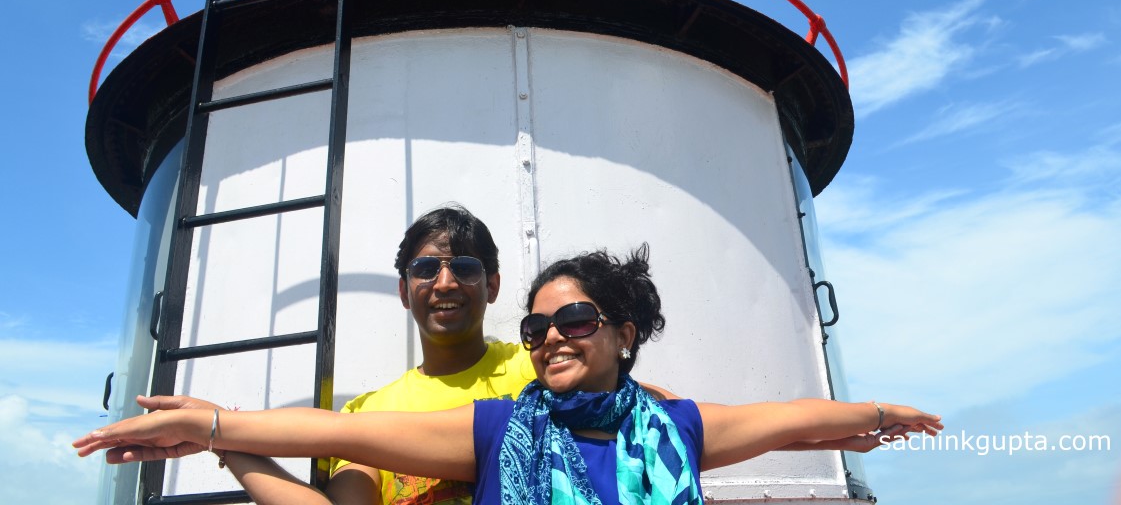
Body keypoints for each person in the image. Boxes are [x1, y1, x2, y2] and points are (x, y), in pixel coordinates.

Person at [76, 245, 943, 504]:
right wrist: (210, 426)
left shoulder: (677, 429)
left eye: (575, 320)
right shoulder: (502, 431)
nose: (552, 338)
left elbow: (790, 418)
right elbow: (338, 431)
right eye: (536, 326)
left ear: (624, 332)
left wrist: (874, 414)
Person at [146, 204, 536, 505]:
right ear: (404, 291)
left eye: (465, 268)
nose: (446, 283)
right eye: (426, 268)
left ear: (493, 286)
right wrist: (219, 435)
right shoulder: (371, 412)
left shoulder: (536, 369)